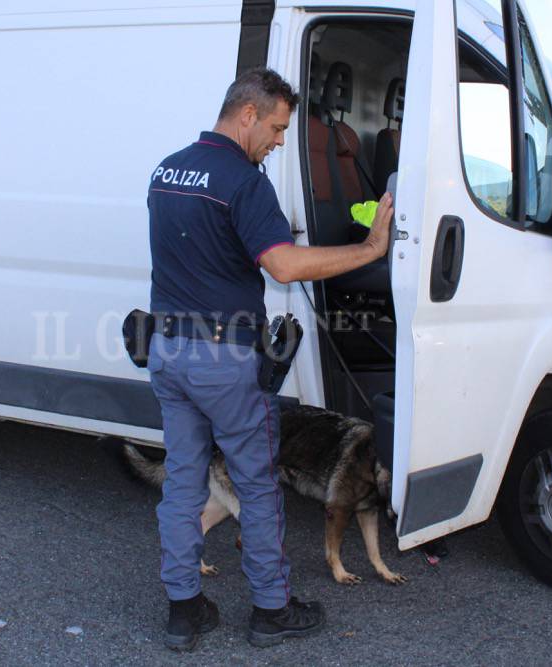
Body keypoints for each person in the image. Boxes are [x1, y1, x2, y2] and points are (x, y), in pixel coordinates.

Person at [146, 67, 394, 651]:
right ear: (249, 114)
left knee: (182, 482)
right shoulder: (243, 181)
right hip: (224, 359)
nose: (281, 141)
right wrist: (369, 248)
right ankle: (271, 610)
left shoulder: (166, 171)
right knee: (257, 485)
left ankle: (183, 611)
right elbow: (282, 266)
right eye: (279, 128)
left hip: (166, 349)